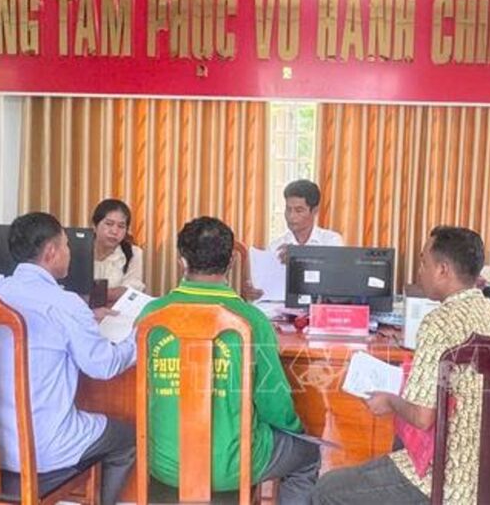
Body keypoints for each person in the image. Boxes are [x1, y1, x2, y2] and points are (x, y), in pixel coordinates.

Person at [312, 226, 490, 505]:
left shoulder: (439, 322)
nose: (419, 271)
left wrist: (389, 400)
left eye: (424, 262)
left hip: (445, 480)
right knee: (397, 448)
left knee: (326, 490)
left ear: (443, 269)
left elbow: (423, 417)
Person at [138, 216, 318, 504]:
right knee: (308, 455)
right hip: (234, 466)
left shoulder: (151, 314)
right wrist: (295, 430)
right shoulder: (252, 319)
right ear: (231, 262)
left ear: (182, 260)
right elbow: (274, 403)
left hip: (163, 463)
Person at [0, 212, 137, 505]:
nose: (69, 251)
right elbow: (103, 366)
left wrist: (86, 317)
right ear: (51, 252)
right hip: (43, 446)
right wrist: (137, 339)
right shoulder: (65, 304)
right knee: (128, 439)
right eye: (66, 245)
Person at [244, 179, 344, 301]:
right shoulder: (276, 246)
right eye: (288, 209)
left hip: (319, 307)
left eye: (299, 210)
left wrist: (299, 256)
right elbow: (267, 290)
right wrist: (255, 292)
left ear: (314, 211)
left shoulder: (331, 241)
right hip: (281, 309)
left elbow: (337, 282)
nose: (291, 216)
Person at [91, 198, 147, 301]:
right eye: (109, 224)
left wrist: (89, 295)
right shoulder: (78, 250)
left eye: (121, 226)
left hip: (116, 310)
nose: (114, 231)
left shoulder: (134, 253)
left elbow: (131, 291)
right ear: (95, 226)